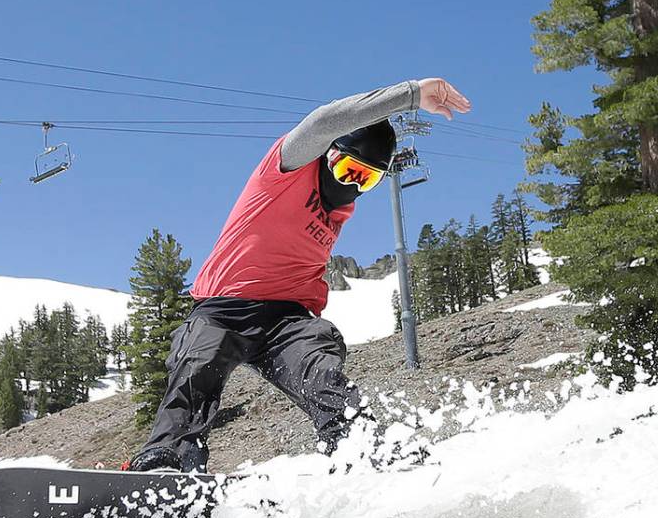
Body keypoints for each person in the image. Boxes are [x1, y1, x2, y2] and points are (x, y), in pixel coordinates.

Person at [125, 78, 471, 473]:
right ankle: (169, 461)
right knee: (197, 369)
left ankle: (359, 451)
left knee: (320, 367)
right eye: (347, 169)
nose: (352, 185)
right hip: (224, 309)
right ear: (327, 156)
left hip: (287, 321)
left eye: (367, 179)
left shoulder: (340, 210)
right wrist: (409, 95)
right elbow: (325, 121)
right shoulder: (286, 170)